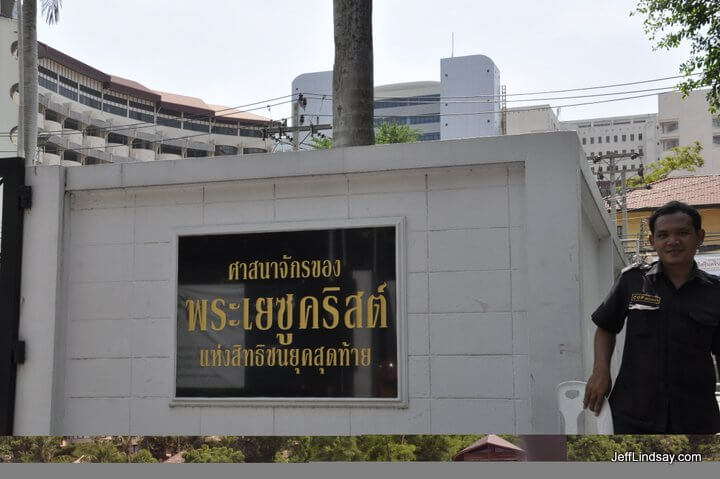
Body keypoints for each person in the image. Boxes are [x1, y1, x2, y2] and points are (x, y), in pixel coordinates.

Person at [583, 200, 720, 433]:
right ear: (652, 242)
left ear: (700, 237)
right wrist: (601, 370)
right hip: (633, 412)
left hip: (695, 415)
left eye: (683, 233)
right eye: (663, 234)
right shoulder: (633, 281)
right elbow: (606, 327)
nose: (673, 241)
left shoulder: (715, 291)